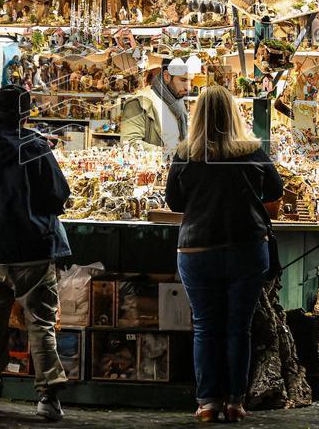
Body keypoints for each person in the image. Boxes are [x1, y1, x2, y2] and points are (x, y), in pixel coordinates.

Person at [165, 85, 284, 423]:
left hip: (197, 248)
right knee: (238, 328)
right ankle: (235, 402)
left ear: (197, 115)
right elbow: (275, 191)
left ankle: (207, 403)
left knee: (206, 327)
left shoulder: (185, 154)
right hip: (246, 247)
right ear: (234, 114)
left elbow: (174, 202)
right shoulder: (252, 152)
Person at [0, 85, 71, 420]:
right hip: (33, 249)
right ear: (25, 114)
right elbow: (59, 195)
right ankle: (48, 398)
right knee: (40, 324)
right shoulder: (36, 146)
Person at [120, 58, 191, 152]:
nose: (188, 88)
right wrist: (169, 153)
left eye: (191, 81)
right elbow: (129, 143)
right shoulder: (139, 103)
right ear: (166, 76)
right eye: (183, 80)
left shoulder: (178, 103)